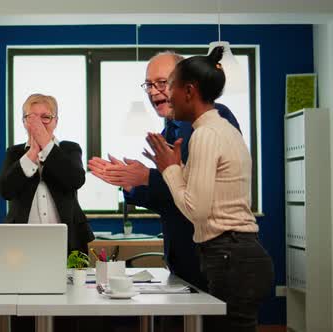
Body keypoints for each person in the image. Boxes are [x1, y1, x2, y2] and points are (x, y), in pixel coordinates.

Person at [88, 51, 240, 291]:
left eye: (162, 82)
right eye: (148, 84)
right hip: (185, 260)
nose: (152, 91)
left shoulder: (211, 122)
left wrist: (146, 177)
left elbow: (196, 195)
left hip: (215, 256)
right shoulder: (170, 129)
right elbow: (173, 198)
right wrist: (131, 183)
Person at [145, 47, 273, 332]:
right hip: (240, 254)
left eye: (170, 87)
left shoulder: (204, 135)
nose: (162, 96)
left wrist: (169, 169)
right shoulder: (220, 129)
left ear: (189, 91)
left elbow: (196, 210)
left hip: (229, 256)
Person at [0, 93, 94, 254]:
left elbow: (76, 180)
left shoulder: (69, 149)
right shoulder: (14, 152)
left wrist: (46, 146)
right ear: (24, 122)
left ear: (55, 121)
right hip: (22, 242)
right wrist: (32, 153)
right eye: (32, 118)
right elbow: (5, 190)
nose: (39, 123)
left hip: (68, 241)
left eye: (45, 117)